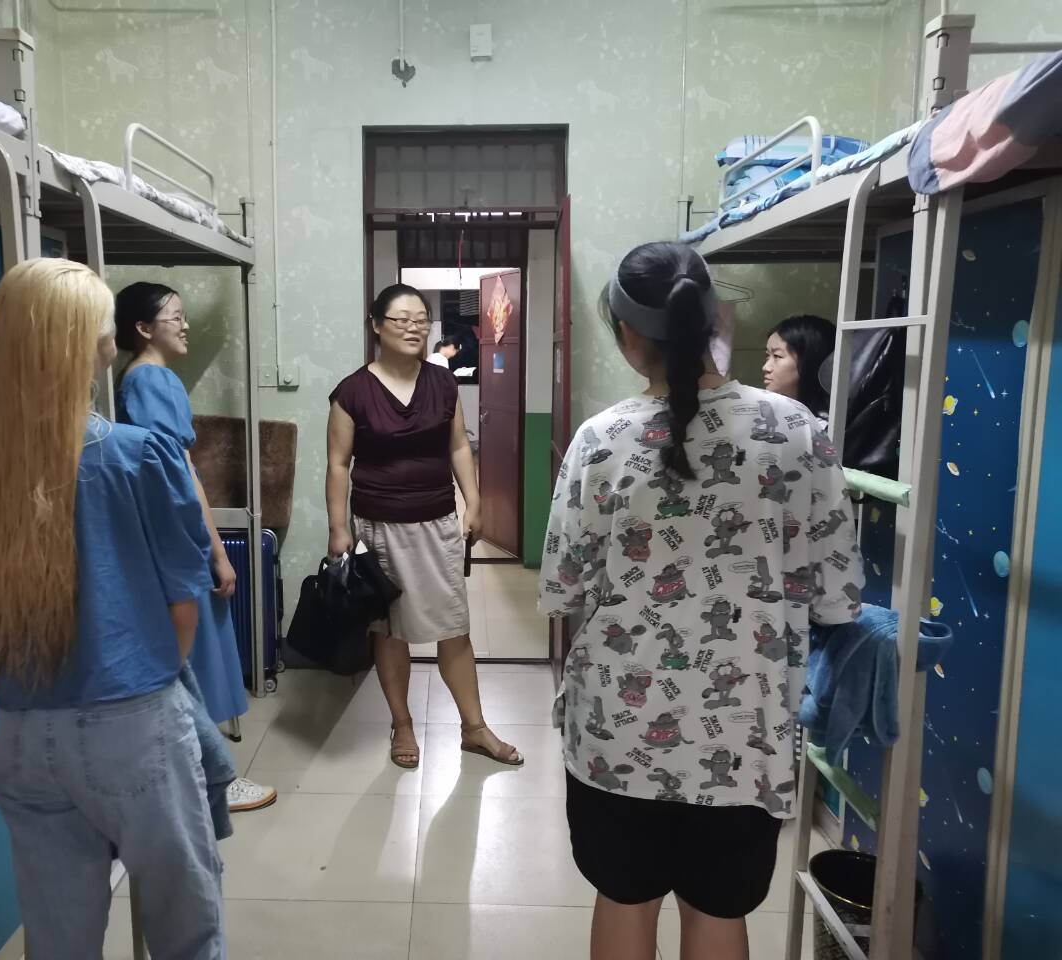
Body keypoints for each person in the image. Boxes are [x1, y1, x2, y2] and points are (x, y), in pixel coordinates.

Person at [540, 242, 862, 960]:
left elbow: (561, 586)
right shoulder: (798, 431)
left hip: (619, 731)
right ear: (712, 315)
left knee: (624, 898)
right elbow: (839, 595)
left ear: (628, 335)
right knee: (719, 909)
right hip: (745, 737)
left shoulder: (601, 441)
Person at [0, 258, 225, 959]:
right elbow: (183, 607)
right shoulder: (140, 457)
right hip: (132, 723)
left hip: (21, 738)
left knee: (58, 942)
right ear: (99, 347)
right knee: (186, 931)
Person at [326, 283, 522, 769]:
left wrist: (474, 502)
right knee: (390, 631)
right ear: (377, 326)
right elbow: (338, 464)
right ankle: (403, 724)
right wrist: (338, 528)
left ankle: (474, 729)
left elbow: (458, 446)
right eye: (402, 319)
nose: (414, 327)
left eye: (421, 319)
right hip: (378, 527)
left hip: (437, 520)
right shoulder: (352, 391)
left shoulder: (441, 382)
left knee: (454, 628)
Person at [113, 281, 277, 815]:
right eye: (175, 317)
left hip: (167, 534)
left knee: (188, 655)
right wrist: (217, 552)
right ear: (143, 328)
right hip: (177, 536)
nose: (185, 326)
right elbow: (181, 476)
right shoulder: (153, 379)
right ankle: (213, 781)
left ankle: (199, 776)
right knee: (196, 656)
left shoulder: (136, 379)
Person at [763, 314, 836, 427]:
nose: (766, 367)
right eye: (767, 356)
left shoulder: (822, 428)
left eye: (777, 356)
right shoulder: (769, 413)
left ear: (809, 361)